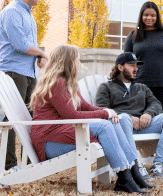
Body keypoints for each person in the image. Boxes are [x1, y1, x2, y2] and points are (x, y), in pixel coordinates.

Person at [29, 45, 152, 194]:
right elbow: (72, 116)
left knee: (114, 121)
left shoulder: (69, 83)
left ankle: (132, 170)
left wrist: (108, 111)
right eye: (78, 60)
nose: (80, 64)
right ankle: (124, 176)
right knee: (105, 126)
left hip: (63, 133)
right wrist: (104, 115)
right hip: (49, 141)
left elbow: (86, 107)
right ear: (68, 62)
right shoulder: (57, 83)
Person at [95, 52, 163, 179]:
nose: (136, 69)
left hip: (142, 125)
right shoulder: (106, 87)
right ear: (120, 67)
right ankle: (137, 166)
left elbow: (156, 104)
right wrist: (128, 117)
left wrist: (148, 114)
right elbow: (102, 110)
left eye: (136, 66)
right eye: (131, 65)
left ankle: (159, 163)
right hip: (121, 128)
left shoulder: (141, 87)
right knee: (124, 118)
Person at [0, 0, 49, 173]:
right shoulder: (11, 12)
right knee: (12, 117)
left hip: (27, 71)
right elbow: (20, 44)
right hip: (13, 71)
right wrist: (42, 53)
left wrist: (38, 57)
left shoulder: (28, 14)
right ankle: (10, 165)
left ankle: (29, 162)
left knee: (29, 116)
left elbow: (28, 45)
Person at [124, 1, 163, 163]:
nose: (149, 18)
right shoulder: (133, 36)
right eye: (146, 15)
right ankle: (146, 152)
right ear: (141, 16)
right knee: (143, 120)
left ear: (157, 17)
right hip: (140, 87)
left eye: (152, 15)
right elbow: (126, 61)